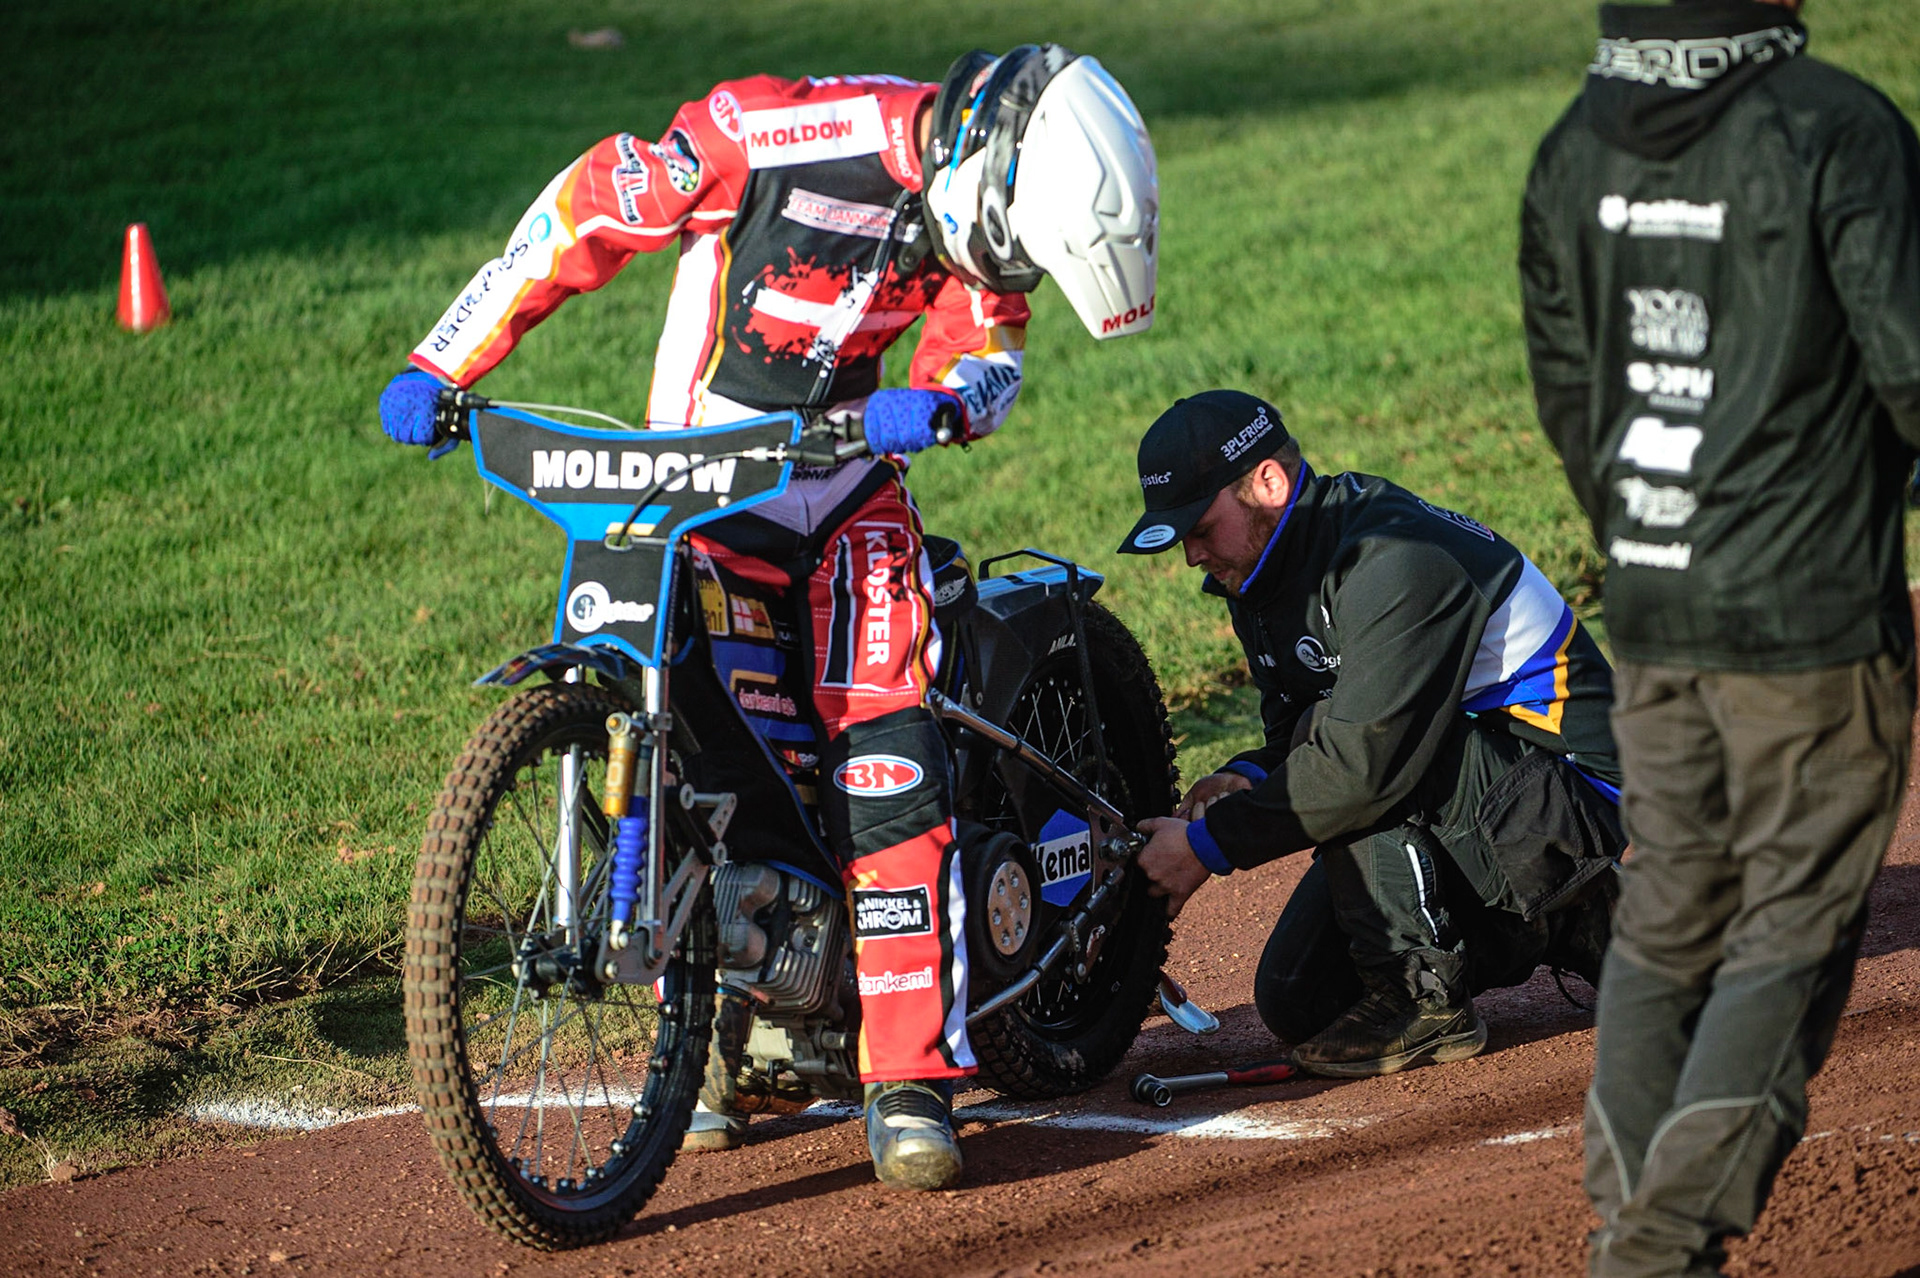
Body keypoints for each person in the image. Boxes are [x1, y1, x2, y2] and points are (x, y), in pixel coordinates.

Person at [376, 45, 1159, 1190]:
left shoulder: (993, 218)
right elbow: (582, 212)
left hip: (850, 492)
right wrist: (444, 359)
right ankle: (706, 1036)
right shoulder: (772, 135)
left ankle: (907, 1078)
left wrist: (940, 400)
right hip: (695, 487)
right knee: (685, 734)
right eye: (991, 245)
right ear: (966, 157)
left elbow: (991, 351)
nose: (994, 269)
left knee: (883, 747)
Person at [1519, 1, 1920, 1272]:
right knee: (1794, 928)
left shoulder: (1573, 145)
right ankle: (1658, 1248)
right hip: (1809, 621)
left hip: (1655, 600)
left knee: (1674, 913)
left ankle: (1627, 1217)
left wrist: (1656, 544)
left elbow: (1571, 394)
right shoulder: (1835, 130)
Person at [1122, 390, 1626, 1077]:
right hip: (1482, 792)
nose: (1190, 555)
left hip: (1575, 798)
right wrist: (1246, 775)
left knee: (1349, 755)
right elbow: (1296, 734)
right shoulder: (1264, 576)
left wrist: (1207, 847)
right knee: (1301, 1000)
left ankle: (1520, 948)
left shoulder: (1393, 557)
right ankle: (1538, 925)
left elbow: (1364, 764)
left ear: (1267, 484)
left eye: (1201, 528)